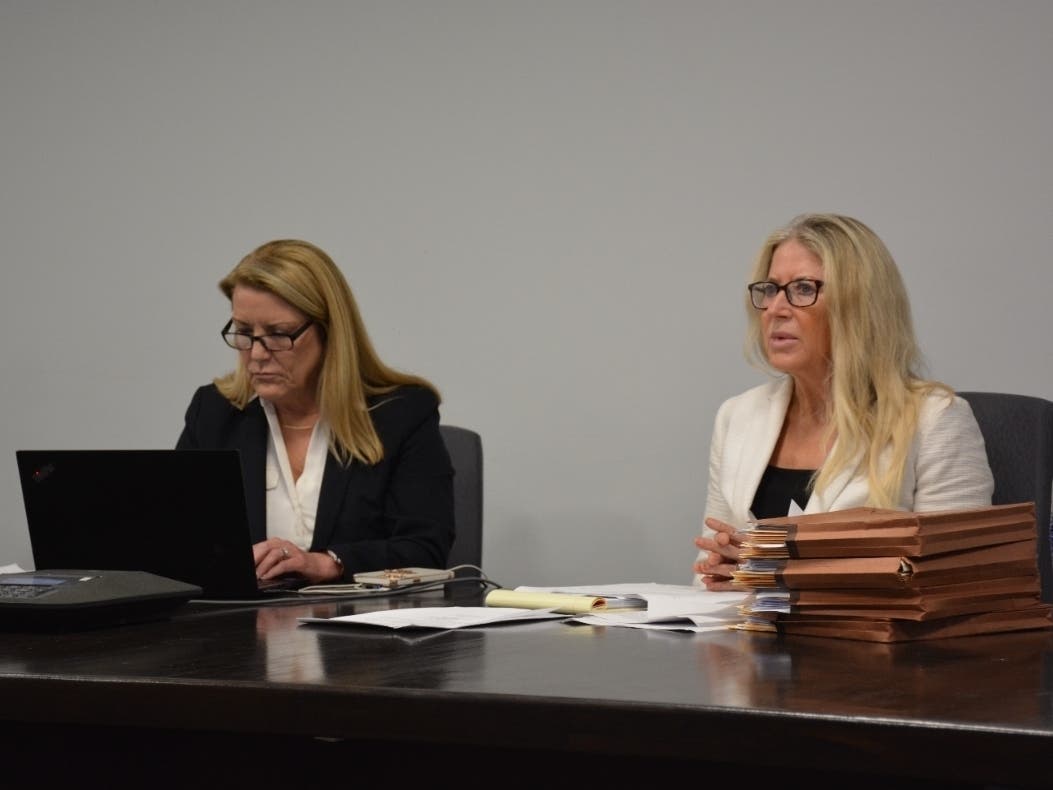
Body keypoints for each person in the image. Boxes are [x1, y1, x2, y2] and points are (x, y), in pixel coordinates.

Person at [694, 213, 994, 590]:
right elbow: (710, 573)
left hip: (879, 648)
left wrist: (775, 577)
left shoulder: (935, 419)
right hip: (750, 644)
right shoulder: (737, 417)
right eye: (770, 289)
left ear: (861, 306)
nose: (774, 309)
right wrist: (721, 577)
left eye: (803, 289)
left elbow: (953, 586)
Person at [177, 239, 455, 585]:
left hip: (359, 630)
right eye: (245, 333)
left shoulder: (401, 414)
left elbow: (425, 549)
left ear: (329, 333)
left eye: (278, 335)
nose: (257, 354)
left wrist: (327, 563)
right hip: (241, 630)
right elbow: (179, 543)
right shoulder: (216, 413)